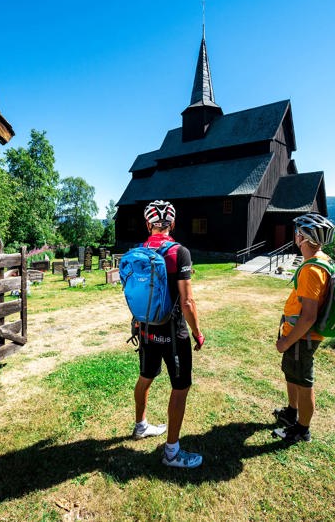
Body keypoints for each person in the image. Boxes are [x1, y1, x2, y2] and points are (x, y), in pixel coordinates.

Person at [131, 200, 206, 468]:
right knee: (180, 387)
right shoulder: (179, 252)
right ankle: (172, 454)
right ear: (172, 224)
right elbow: (187, 302)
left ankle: (141, 425)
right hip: (174, 333)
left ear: (148, 224)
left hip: (146, 328)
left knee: (145, 377)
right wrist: (198, 333)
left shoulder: (139, 251)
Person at [272, 213, 335, 443]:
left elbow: (308, 317)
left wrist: (286, 341)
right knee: (292, 374)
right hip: (298, 335)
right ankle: (291, 412)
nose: (295, 236)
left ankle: (301, 429)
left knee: (303, 381)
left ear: (303, 237)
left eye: (297, 232)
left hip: (302, 337)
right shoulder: (322, 261)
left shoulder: (311, 271)